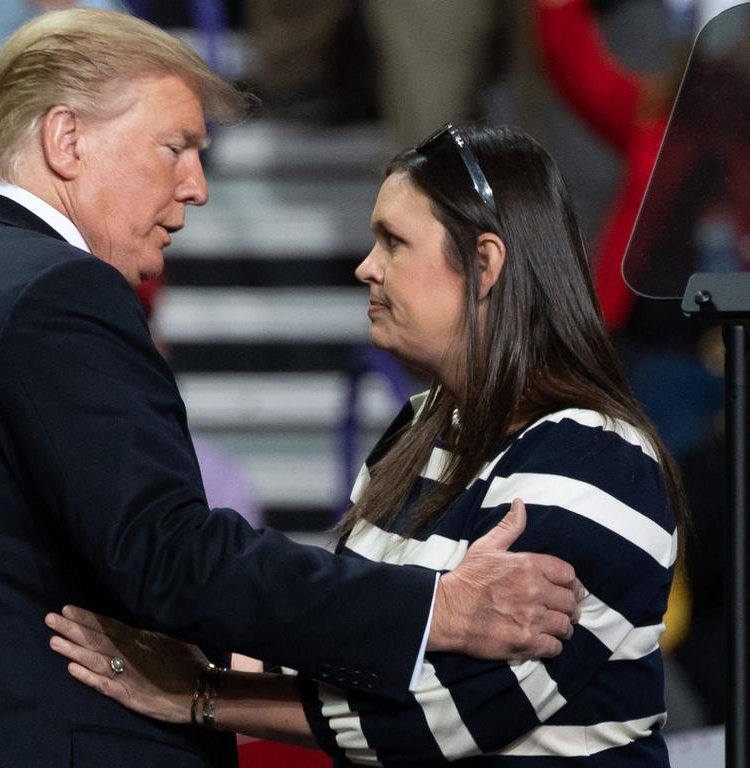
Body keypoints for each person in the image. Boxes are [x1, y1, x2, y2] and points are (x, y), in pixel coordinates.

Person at [0, 12, 582, 767]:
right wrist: (435, 610)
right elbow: (173, 559)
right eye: (175, 147)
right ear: (66, 140)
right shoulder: (54, 294)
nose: (197, 187)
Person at [46, 123, 686, 764]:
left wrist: (199, 693)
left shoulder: (601, 461)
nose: (366, 267)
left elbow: (441, 715)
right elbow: (345, 639)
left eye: (394, 242)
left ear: (484, 264)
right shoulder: (422, 426)